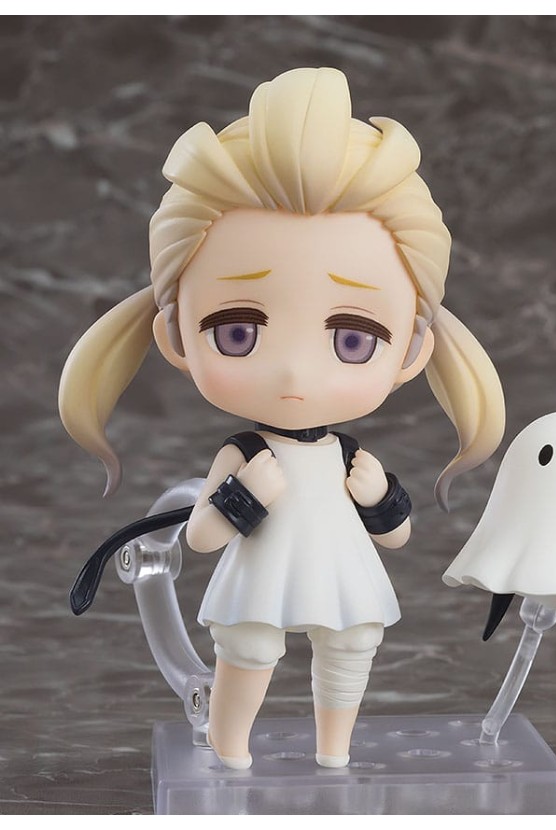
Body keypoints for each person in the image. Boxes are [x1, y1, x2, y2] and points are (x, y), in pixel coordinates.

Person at [59, 67, 505, 769]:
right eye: (238, 332)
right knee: (249, 646)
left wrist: (379, 496)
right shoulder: (242, 453)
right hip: (262, 574)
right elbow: (201, 537)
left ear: (413, 352)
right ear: (175, 336)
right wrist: (243, 497)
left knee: (351, 644)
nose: (295, 373)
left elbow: (397, 535)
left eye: (352, 339)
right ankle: (228, 744)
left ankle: (335, 753)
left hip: (338, 568)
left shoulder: (346, 454)